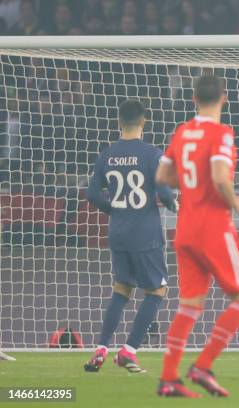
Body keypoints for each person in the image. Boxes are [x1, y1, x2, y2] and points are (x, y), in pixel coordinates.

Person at [155, 74, 239, 398]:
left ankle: (169, 378)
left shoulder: (183, 132)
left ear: (194, 99)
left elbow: (162, 175)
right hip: (213, 226)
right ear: (224, 98)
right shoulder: (221, 133)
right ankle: (203, 365)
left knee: (189, 305)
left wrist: (190, 185)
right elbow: (219, 176)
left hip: (184, 228)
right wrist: (236, 202)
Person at [84, 100, 177, 374]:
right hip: (145, 233)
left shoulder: (107, 154)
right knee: (157, 290)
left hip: (118, 232)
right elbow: (163, 191)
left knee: (122, 288)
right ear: (144, 122)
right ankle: (129, 350)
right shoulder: (151, 154)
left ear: (118, 123)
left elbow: (91, 193)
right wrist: (173, 204)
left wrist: (113, 210)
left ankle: (101, 348)